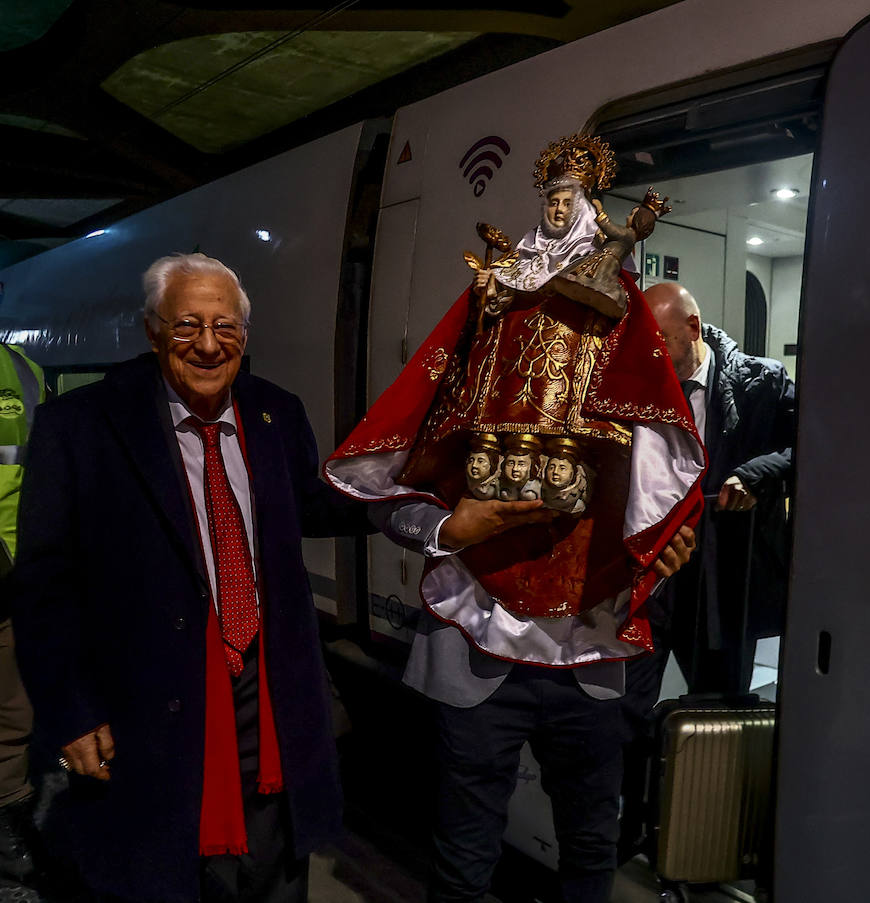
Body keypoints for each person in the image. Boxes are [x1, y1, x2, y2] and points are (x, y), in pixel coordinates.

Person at [326, 134, 702, 903]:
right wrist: (447, 530)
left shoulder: (627, 347)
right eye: (552, 197)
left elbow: (661, 492)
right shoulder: (482, 331)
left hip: (589, 647)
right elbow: (398, 476)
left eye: (574, 199)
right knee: (464, 856)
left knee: (590, 846)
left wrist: (662, 543)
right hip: (477, 643)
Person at [9, 252, 371, 903]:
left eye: (224, 325)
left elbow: (311, 505)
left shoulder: (275, 412)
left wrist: (424, 505)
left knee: (274, 869)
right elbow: (45, 585)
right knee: (168, 873)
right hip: (147, 707)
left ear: (244, 335)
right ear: (153, 331)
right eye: (187, 325)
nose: (208, 344)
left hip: (265, 691)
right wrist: (70, 710)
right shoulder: (83, 425)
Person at [634, 282, 796, 697]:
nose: (650, 354)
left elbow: (813, 447)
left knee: (718, 708)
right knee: (627, 708)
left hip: (722, 582)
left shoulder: (762, 384)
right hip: (650, 578)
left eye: (660, 341)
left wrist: (756, 475)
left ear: (693, 328)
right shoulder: (636, 387)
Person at [0, 344, 45, 893]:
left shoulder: (21, 370)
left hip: (12, 574)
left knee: (13, 714)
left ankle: (9, 837)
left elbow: (42, 470)